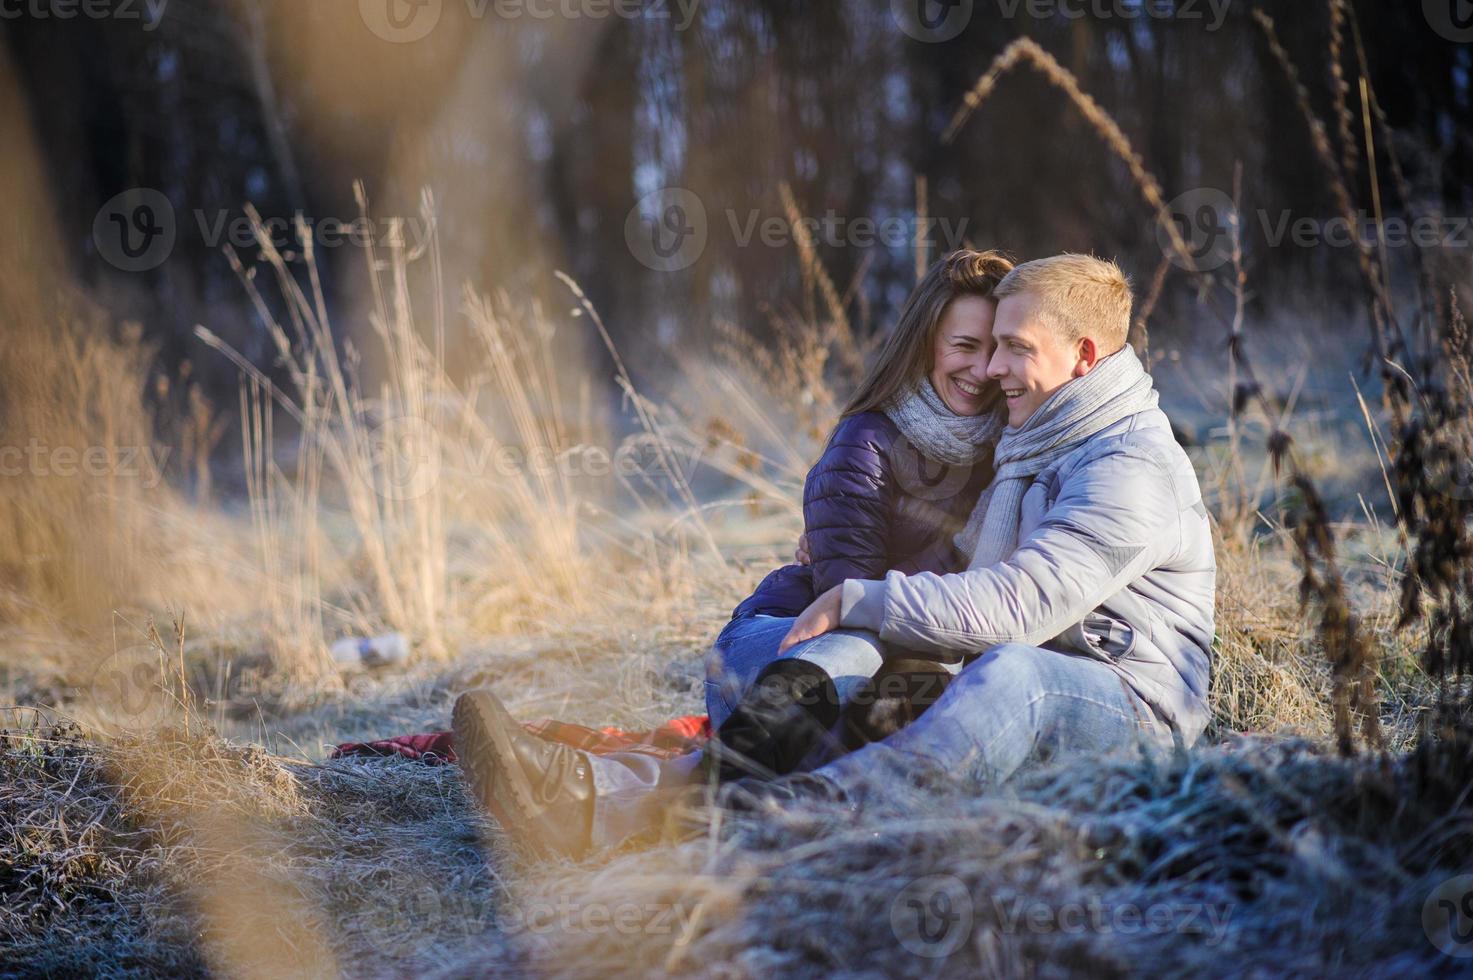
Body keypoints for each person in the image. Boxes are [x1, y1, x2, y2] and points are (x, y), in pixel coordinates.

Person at [455, 253, 1217, 861]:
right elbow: (940, 589)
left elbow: (1017, 608)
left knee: (989, 672)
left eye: (1013, 349)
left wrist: (867, 597)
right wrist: (859, 595)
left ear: (1083, 357)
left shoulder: (1121, 463)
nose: (989, 370)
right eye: (978, 348)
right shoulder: (1022, 441)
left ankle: (774, 822)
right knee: (878, 668)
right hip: (832, 649)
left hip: (1127, 701)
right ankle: (607, 804)